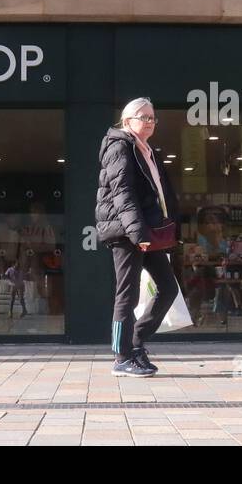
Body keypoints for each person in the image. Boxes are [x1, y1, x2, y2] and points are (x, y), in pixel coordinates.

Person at [95, 98, 181, 378]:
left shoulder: (147, 151)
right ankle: (122, 357)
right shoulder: (119, 146)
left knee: (168, 288)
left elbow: (161, 194)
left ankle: (136, 343)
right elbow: (122, 194)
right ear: (127, 120)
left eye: (153, 118)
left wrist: (167, 228)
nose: (150, 122)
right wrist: (138, 233)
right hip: (126, 232)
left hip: (147, 231)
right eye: (143, 117)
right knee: (127, 294)